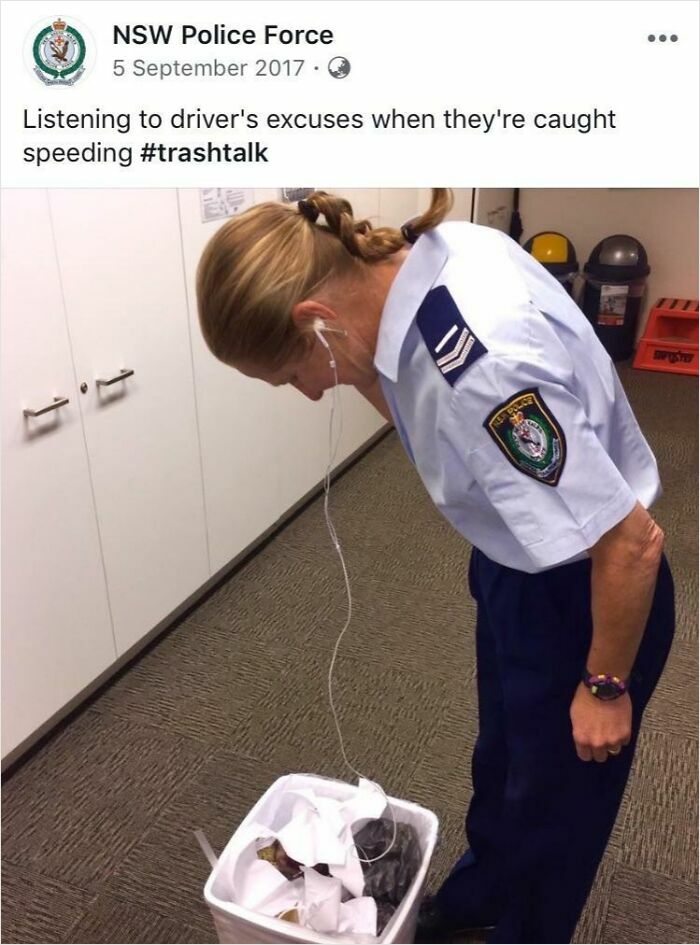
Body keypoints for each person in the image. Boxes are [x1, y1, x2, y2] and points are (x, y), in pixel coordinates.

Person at [196, 189, 675, 944]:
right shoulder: (409, 268)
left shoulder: (487, 371)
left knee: (558, 808)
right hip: (519, 565)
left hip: (590, 592)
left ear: (313, 320)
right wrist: (347, 361)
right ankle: (482, 890)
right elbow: (401, 388)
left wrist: (605, 684)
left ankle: (526, 928)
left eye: (293, 374)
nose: (310, 391)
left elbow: (632, 544)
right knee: (506, 764)